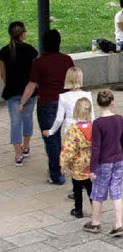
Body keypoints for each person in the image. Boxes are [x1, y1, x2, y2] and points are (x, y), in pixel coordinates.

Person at [19, 29, 74, 185]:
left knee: (51, 138)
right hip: (65, 102)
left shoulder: (39, 62)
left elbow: (31, 85)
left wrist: (22, 102)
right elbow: (73, 81)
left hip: (47, 104)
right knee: (58, 137)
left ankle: (57, 175)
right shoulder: (67, 59)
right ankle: (60, 167)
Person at [83, 90, 123, 237]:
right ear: (112, 102)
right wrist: (122, 156)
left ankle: (95, 222)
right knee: (116, 190)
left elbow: (96, 147)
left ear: (97, 104)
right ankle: (119, 223)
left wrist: (92, 169)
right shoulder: (119, 119)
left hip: (104, 162)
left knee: (98, 191)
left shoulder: (98, 123)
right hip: (118, 159)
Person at [0, 21, 38, 167]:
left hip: (12, 92)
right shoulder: (31, 51)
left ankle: (17, 154)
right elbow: (35, 74)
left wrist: (10, 84)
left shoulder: (4, 51)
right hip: (29, 92)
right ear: (23, 34)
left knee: (15, 122)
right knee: (28, 118)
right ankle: (26, 147)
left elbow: (3, 74)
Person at [59, 98, 93, 219]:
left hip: (77, 164)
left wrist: (63, 164)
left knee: (77, 188)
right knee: (90, 186)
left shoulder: (73, 130)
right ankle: (95, 206)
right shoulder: (93, 126)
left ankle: (78, 210)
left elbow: (68, 150)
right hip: (91, 161)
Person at [43, 67, 94, 138]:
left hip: (70, 130)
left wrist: (51, 131)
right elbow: (92, 116)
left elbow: (59, 119)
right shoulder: (87, 95)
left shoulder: (63, 96)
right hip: (85, 130)